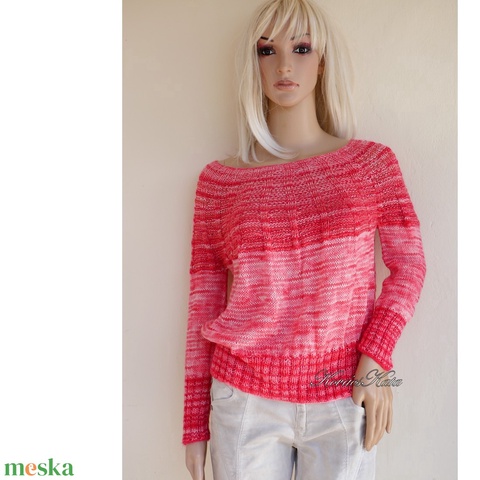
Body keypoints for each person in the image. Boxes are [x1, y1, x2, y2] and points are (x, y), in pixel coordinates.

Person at [182, 0, 426, 478]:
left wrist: (375, 356)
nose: (284, 65)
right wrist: (194, 423)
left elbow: (410, 266)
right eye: (266, 51)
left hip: (344, 391)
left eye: (301, 48)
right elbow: (203, 303)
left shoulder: (370, 165)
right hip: (243, 400)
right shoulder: (220, 183)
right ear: (253, 63)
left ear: (323, 61)